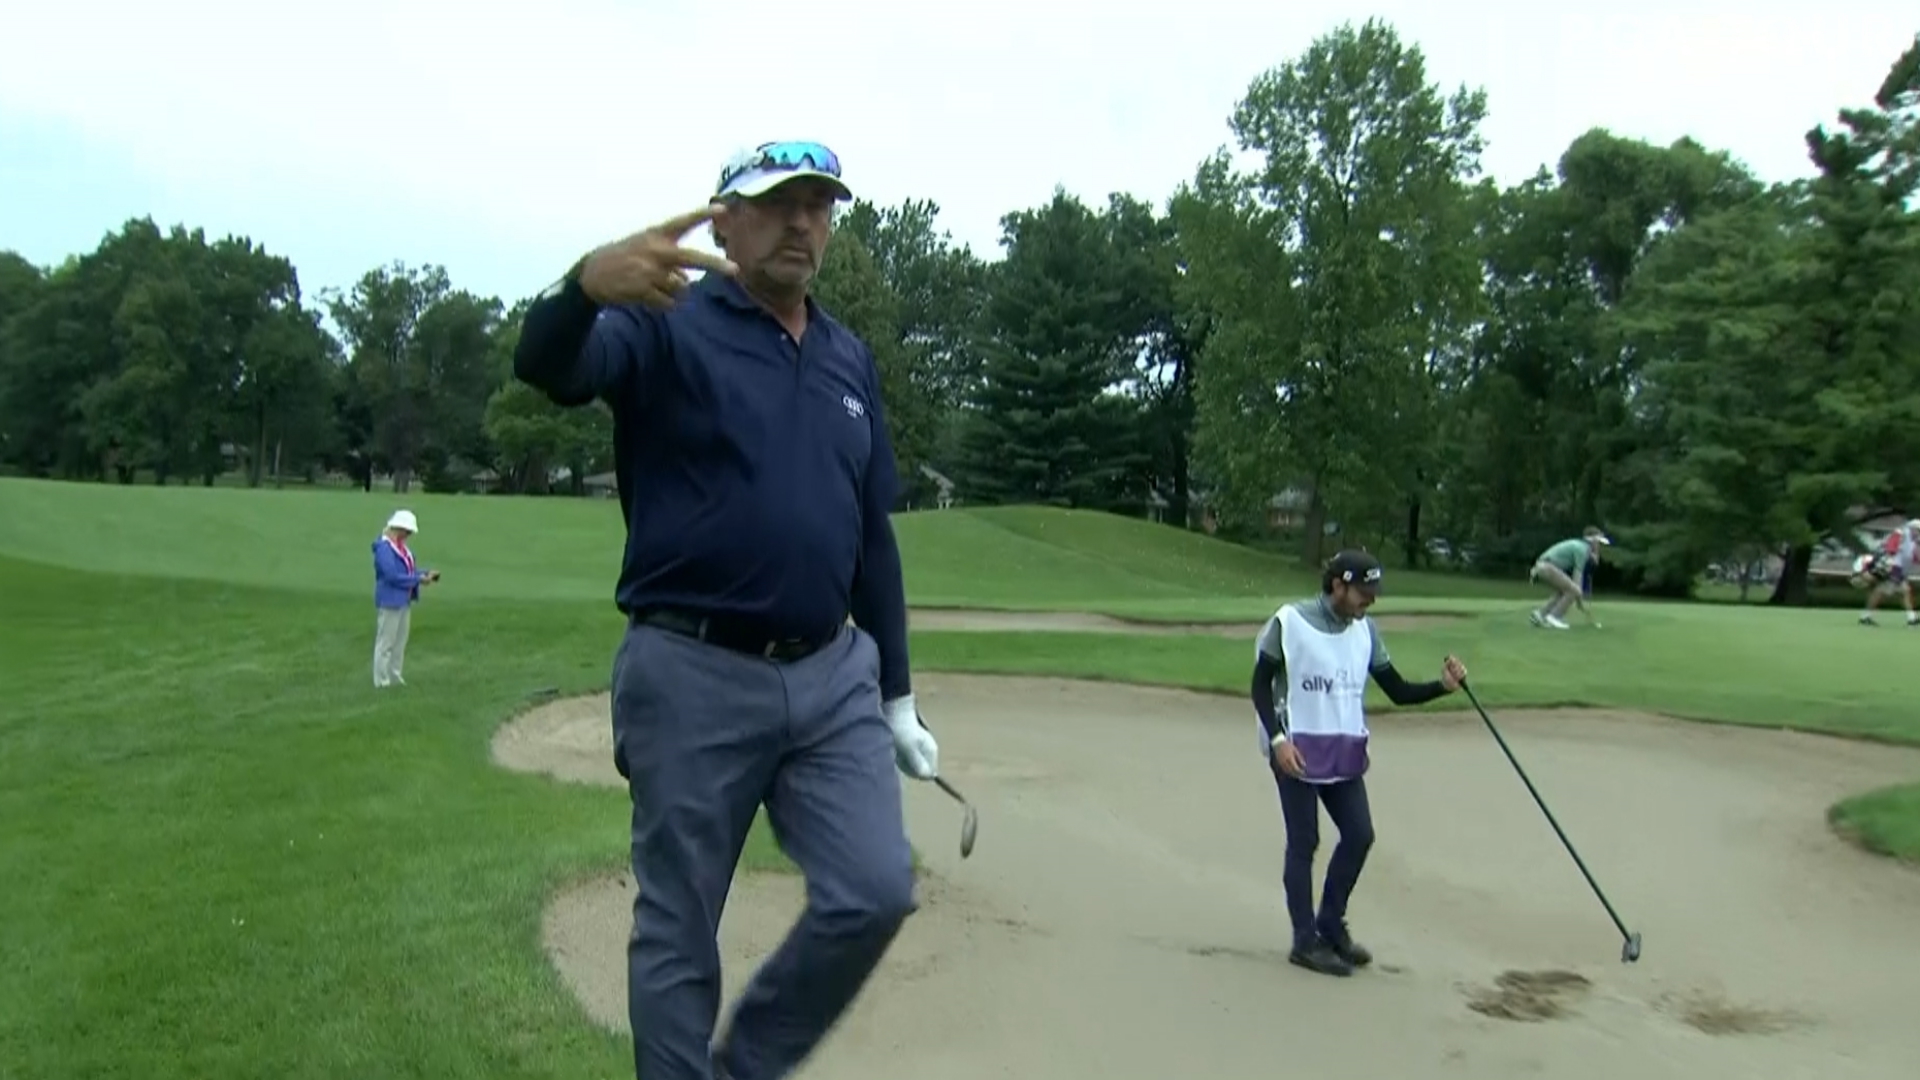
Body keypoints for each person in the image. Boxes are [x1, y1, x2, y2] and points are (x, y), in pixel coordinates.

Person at [509, 140, 940, 1080]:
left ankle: (744, 1066)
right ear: (723, 219)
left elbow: (872, 531)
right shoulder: (663, 324)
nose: (801, 222)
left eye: (818, 205)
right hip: (692, 669)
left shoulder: (846, 359)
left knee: (874, 890)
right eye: (779, 202)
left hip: (830, 676)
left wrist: (897, 693)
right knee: (678, 922)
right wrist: (586, 284)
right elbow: (548, 365)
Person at [1249, 549, 1468, 977]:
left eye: (1373, 592)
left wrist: (1443, 687)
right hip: (1294, 747)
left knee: (1359, 834)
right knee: (1304, 841)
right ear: (1337, 585)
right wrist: (1277, 740)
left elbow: (1398, 690)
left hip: (1342, 749)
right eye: (1363, 592)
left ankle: (1331, 923)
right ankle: (1304, 941)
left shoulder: (1365, 631)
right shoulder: (1289, 622)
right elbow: (1260, 684)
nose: (1370, 600)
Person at [371, 509, 438, 687]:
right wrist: (417, 579)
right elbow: (391, 576)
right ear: (398, 528)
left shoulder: (401, 548)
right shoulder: (384, 549)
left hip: (404, 600)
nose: (408, 535)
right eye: (406, 531)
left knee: (400, 642)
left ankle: (395, 676)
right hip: (390, 600)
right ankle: (381, 680)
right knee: (386, 642)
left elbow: (407, 571)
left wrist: (423, 574)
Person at [1528, 527, 1609, 629]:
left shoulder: (1580, 547)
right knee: (1573, 590)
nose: (1599, 547)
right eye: (1598, 543)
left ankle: (1540, 615)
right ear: (1592, 541)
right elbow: (1577, 580)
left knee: (1564, 591)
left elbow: (1594, 562)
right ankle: (1554, 617)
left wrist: (1578, 598)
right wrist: (1580, 601)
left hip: (1541, 567)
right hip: (1546, 567)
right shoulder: (1582, 550)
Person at [1859, 519, 1919, 626]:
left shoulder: (1913, 540)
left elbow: (1913, 557)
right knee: (1886, 591)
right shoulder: (1902, 533)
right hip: (1893, 567)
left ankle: (1912, 618)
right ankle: (1865, 617)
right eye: (1918, 530)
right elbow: (1891, 546)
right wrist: (1890, 558)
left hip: (1899, 569)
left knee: (1901, 591)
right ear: (1913, 528)